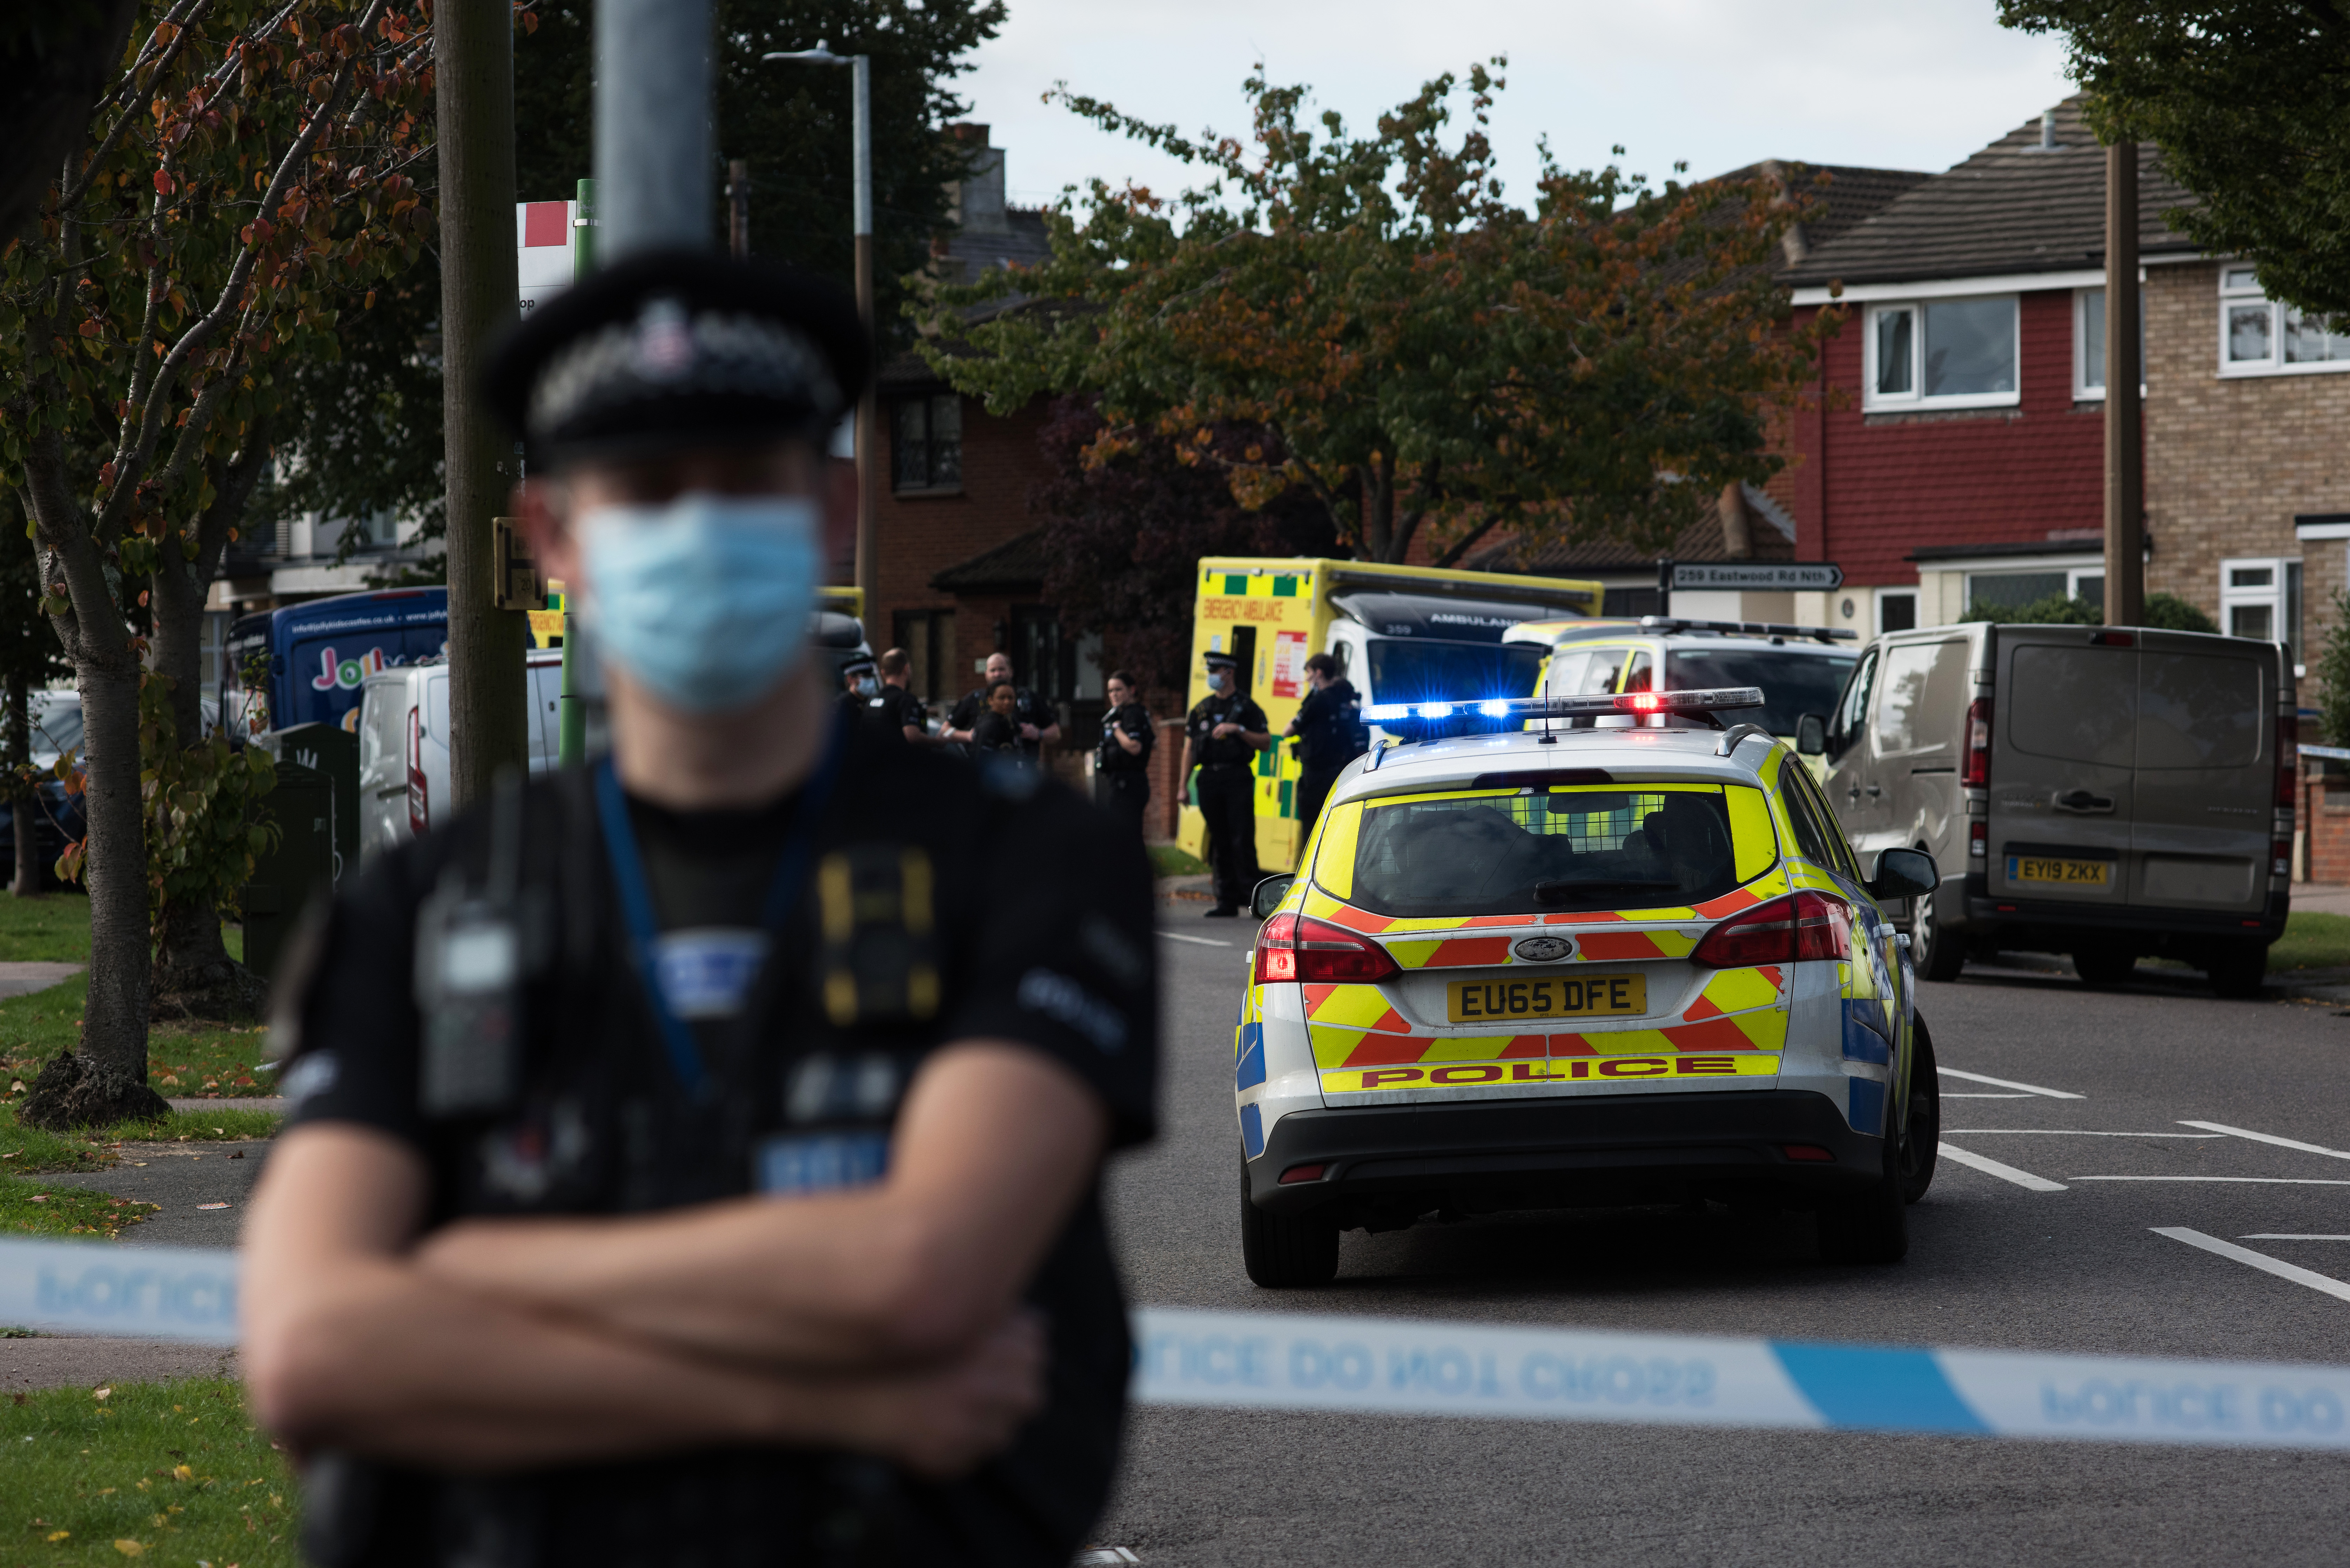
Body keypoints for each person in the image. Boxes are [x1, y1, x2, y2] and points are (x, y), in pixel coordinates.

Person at [239, 249, 1159, 1568]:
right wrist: (810, 1393)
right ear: (554, 533)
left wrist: (462, 1273)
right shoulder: (428, 900)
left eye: (741, 485)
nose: (694, 528)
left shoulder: (1021, 860)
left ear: (832, 511)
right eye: (647, 490)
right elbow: (319, 1349)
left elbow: (920, 1273)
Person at [1184, 650, 1270, 917]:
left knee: (1242, 838)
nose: (1211, 676)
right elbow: (1189, 749)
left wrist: (1239, 730)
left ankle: (1255, 899)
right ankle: (1226, 901)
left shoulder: (1247, 706)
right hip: (1209, 778)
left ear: (1229, 672)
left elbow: (1266, 742)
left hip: (1237, 778)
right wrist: (1182, 785)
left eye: (1215, 671)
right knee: (1219, 841)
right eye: (1210, 672)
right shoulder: (1201, 710)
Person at [1284, 652, 1365, 843]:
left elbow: (1288, 731)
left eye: (1309, 673)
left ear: (1319, 673)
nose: (1307, 678)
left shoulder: (1316, 702)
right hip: (1343, 777)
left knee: (1312, 833)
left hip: (1315, 778)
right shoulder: (1347, 703)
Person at [945, 652, 1058, 761]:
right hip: (986, 771)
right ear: (991, 701)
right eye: (993, 670)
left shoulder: (1028, 697)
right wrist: (970, 735)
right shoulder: (975, 698)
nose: (1006, 703)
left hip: (1024, 770)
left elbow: (1056, 733)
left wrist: (1039, 734)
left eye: (1002, 669)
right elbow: (944, 731)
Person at [1094, 672, 1154, 838]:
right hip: (1121, 782)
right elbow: (1153, 742)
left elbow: (1135, 747)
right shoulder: (1123, 713)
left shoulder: (1132, 714)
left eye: (1118, 690)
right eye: (1110, 691)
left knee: (1126, 837)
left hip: (1128, 784)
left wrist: (1117, 730)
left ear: (1132, 690)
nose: (1114, 695)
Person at [873, 648, 934, 746]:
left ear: (883, 673)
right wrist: (938, 742)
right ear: (906, 669)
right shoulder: (906, 700)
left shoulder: (872, 699)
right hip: (898, 759)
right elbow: (913, 737)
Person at [969, 681, 1027, 761]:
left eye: (1011, 698)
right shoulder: (989, 726)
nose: (1007, 702)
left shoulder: (1010, 720)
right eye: (1002, 698)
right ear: (991, 700)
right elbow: (982, 761)